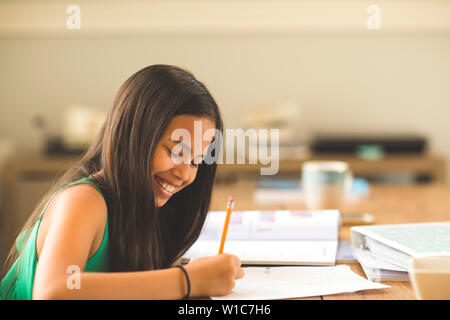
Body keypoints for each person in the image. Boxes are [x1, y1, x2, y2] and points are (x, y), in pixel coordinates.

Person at [0, 65, 244, 299]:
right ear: (133, 137)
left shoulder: (148, 207)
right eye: (177, 152)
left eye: (196, 161)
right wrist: (187, 281)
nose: (185, 174)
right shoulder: (84, 200)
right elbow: (53, 292)